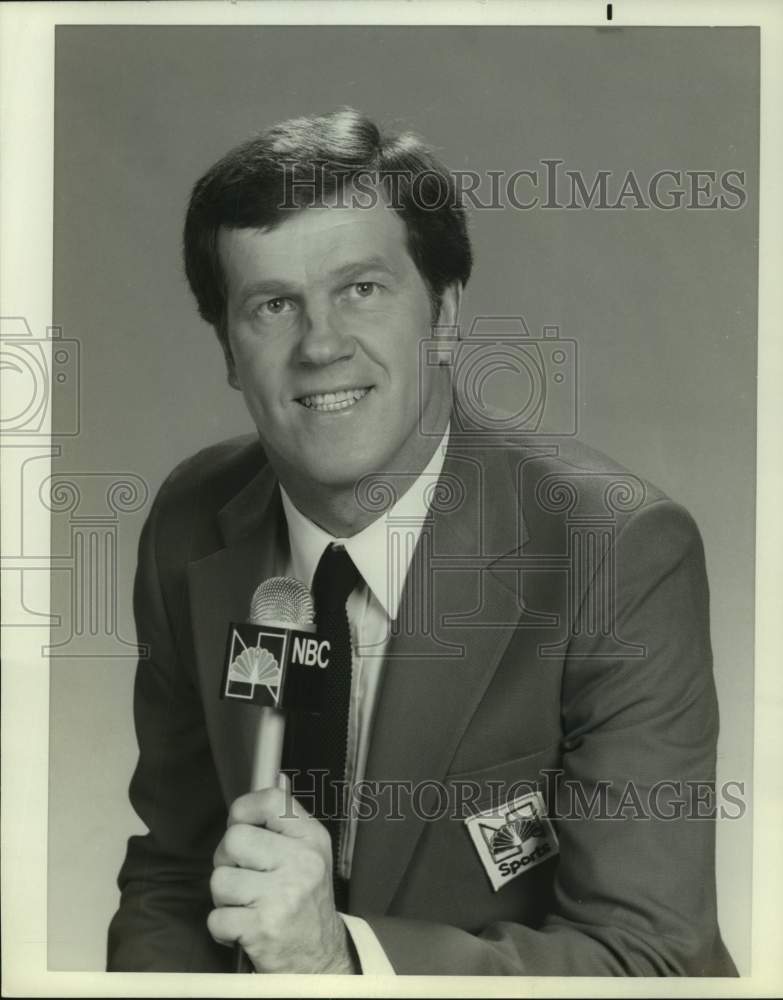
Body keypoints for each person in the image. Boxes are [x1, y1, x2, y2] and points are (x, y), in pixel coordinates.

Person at [107, 108, 736, 976]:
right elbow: (176, 876)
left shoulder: (614, 552)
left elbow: (650, 961)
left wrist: (340, 963)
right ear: (226, 349)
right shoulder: (192, 521)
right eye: (273, 305)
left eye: (361, 289)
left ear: (443, 316)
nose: (320, 345)